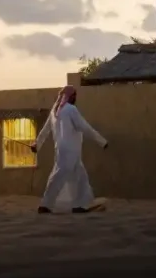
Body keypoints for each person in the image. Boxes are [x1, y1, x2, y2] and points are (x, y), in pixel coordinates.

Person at [31, 85, 108, 214]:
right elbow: (85, 127)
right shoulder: (70, 109)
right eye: (74, 95)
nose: (75, 98)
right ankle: (46, 204)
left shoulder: (54, 112)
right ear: (69, 96)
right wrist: (102, 141)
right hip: (70, 151)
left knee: (80, 178)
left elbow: (45, 131)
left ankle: (80, 205)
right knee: (59, 176)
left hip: (63, 150)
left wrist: (37, 144)